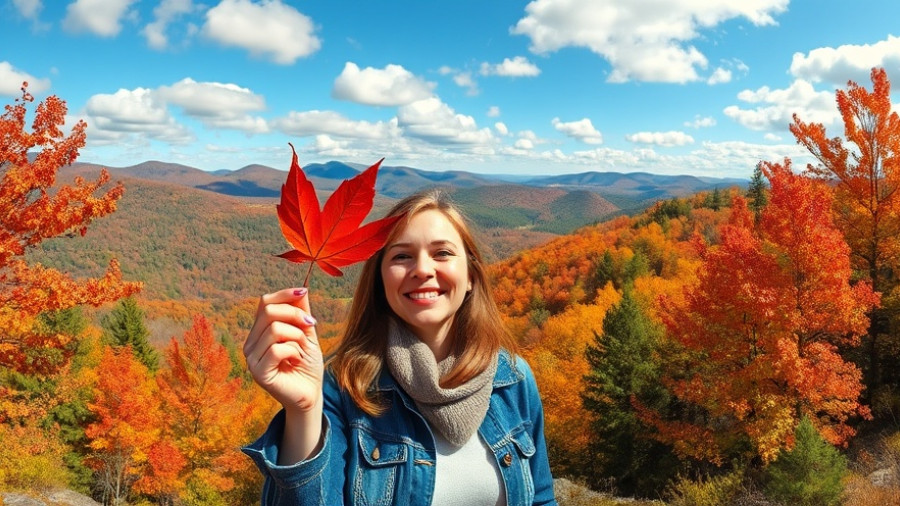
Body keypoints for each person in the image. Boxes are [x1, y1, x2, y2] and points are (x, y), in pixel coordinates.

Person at [242, 189, 557, 505]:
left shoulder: (513, 379)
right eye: (401, 256)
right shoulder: (344, 388)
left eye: (442, 253)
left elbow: (541, 497)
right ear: (380, 279)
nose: (422, 269)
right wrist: (304, 412)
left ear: (471, 276)